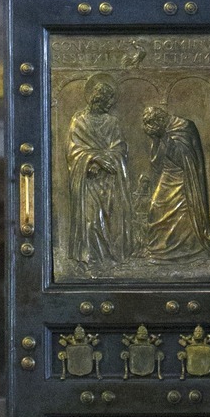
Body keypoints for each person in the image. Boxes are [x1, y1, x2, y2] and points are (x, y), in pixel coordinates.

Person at [66, 73, 134, 270]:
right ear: (97, 99)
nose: (109, 104)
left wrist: (104, 161)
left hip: (110, 180)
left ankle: (109, 258)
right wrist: (93, 159)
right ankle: (91, 259)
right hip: (88, 180)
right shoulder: (79, 122)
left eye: (111, 101)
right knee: (91, 219)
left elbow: (120, 148)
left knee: (110, 218)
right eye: (106, 100)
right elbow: (73, 150)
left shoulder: (113, 122)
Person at [139, 105, 210, 260]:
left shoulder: (183, 126)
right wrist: (156, 139)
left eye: (153, 125)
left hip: (183, 177)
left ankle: (188, 249)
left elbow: (184, 158)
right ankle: (158, 249)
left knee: (182, 213)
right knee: (155, 208)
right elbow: (156, 161)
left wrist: (164, 137)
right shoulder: (162, 129)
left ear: (160, 120)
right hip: (167, 174)